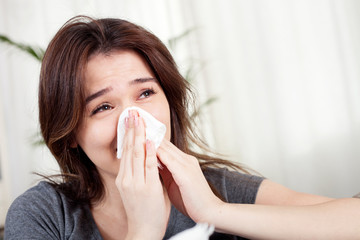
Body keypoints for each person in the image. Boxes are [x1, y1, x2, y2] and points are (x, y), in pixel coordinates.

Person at [4, 15, 360, 240]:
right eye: (103, 106)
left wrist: (215, 212)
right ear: (69, 136)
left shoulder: (208, 187)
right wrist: (144, 229)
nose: (134, 121)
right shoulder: (44, 216)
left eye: (145, 92)